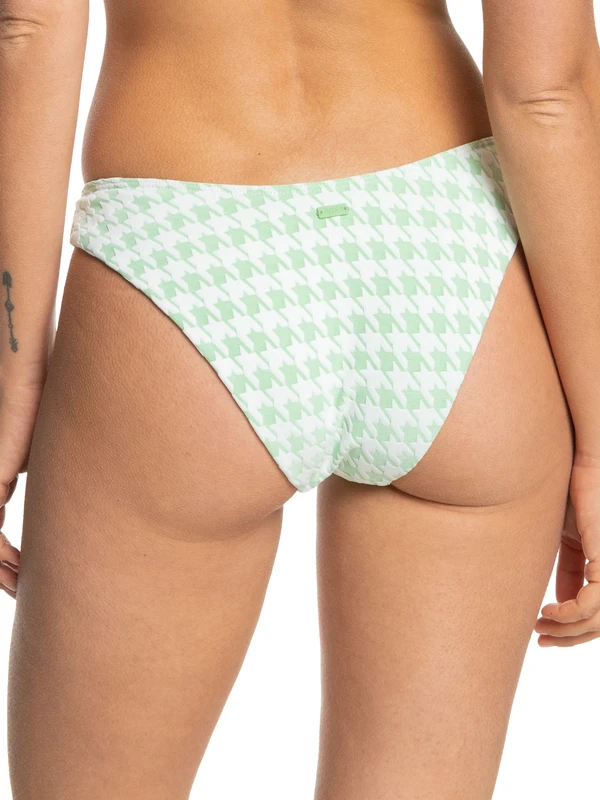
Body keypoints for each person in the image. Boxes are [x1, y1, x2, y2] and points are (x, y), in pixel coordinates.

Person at [1, 0, 599, 797]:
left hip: (189, 245)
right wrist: (596, 435)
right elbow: (547, 94)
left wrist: (14, 385)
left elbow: (27, 33)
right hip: (449, 249)